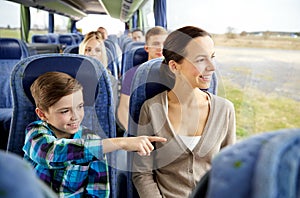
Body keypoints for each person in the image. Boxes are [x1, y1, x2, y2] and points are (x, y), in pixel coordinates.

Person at [23, 71, 167, 197]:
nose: (76, 116)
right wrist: (120, 143)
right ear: (42, 114)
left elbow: (98, 191)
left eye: (80, 107)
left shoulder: (92, 140)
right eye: (65, 111)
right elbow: (52, 153)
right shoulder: (35, 133)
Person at [132, 26, 236, 198]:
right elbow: (142, 174)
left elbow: (229, 170)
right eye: (201, 60)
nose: (212, 67)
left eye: (212, 57)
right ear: (174, 66)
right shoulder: (151, 109)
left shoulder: (225, 110)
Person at [117, 26, 168, 131]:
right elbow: (123, 109)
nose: (161, 48)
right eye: (155, 44)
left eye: (164, 44)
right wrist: (133, 135)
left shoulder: (176, 73)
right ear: (146, 48)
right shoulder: (132, 74)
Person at [79, 31, 118, 112]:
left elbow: (112, 113)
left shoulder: (110, 81)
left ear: (102, 54)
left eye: (97, 50)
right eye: (88, 50)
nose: (93, 54)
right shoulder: (73, 79)